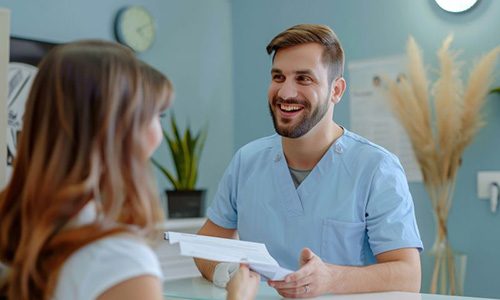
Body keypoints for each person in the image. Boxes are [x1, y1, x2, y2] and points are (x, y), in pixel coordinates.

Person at [0, 40, 258, 300]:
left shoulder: (20, 230)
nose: (159, 132)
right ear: (121, 129)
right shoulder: (118, 261)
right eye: (157, 115)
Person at [195, 24, 423, 298]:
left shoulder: (376, 168)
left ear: (336, 90)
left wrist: (332, 279)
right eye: (278, 77)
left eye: (304, 79)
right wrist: (227, 272)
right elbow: (206, 246)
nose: (285, 93)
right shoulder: (247, 161)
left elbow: (408, 275)